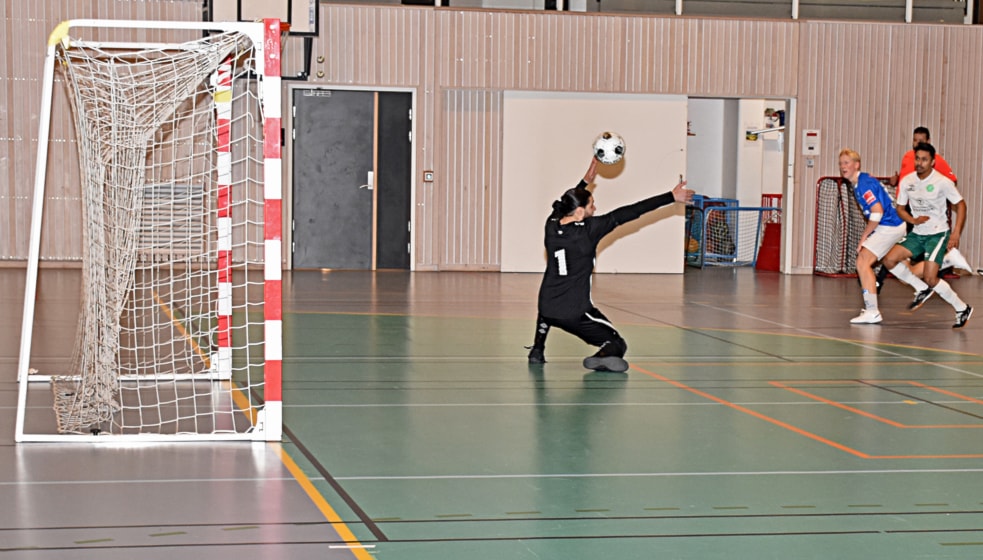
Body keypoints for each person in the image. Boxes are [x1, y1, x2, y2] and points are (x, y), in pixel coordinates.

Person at [526, 157, 694, 372]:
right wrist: (670, 197)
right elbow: (631, 211)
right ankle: (602, 355)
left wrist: (584, 182)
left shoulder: (551, 224)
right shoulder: (588, 231)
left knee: (548, 307)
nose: (595, 208)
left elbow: (564, 204)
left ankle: (537, 349)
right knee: (617, 343)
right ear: (580, 212)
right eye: (591, 205)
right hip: (574, 313)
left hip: (546, 307)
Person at [882, 142, 973, 329]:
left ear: (932, 162)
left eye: (924, 160)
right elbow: (900, 208)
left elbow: (961, 205)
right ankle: (921, 288)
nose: (919, 163)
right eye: (917, 159)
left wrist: (956, 233)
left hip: (937, 234)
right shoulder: (907, 181)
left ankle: (961, 308)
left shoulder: (942, 182)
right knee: (889, 260)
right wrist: (912, 220)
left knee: (931, 278)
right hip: (917, 233)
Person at [840, 148, 907, 324]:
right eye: (841, 163)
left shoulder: (864, 184)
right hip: (892, 225)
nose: (843, 166)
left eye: (846, 163)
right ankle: (945, 261)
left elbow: (877, 213)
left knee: (863, 261)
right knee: (905, 269)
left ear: (857, 165)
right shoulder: (859, 182)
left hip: (890, 226)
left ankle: (872, 311)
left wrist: (864, 237)